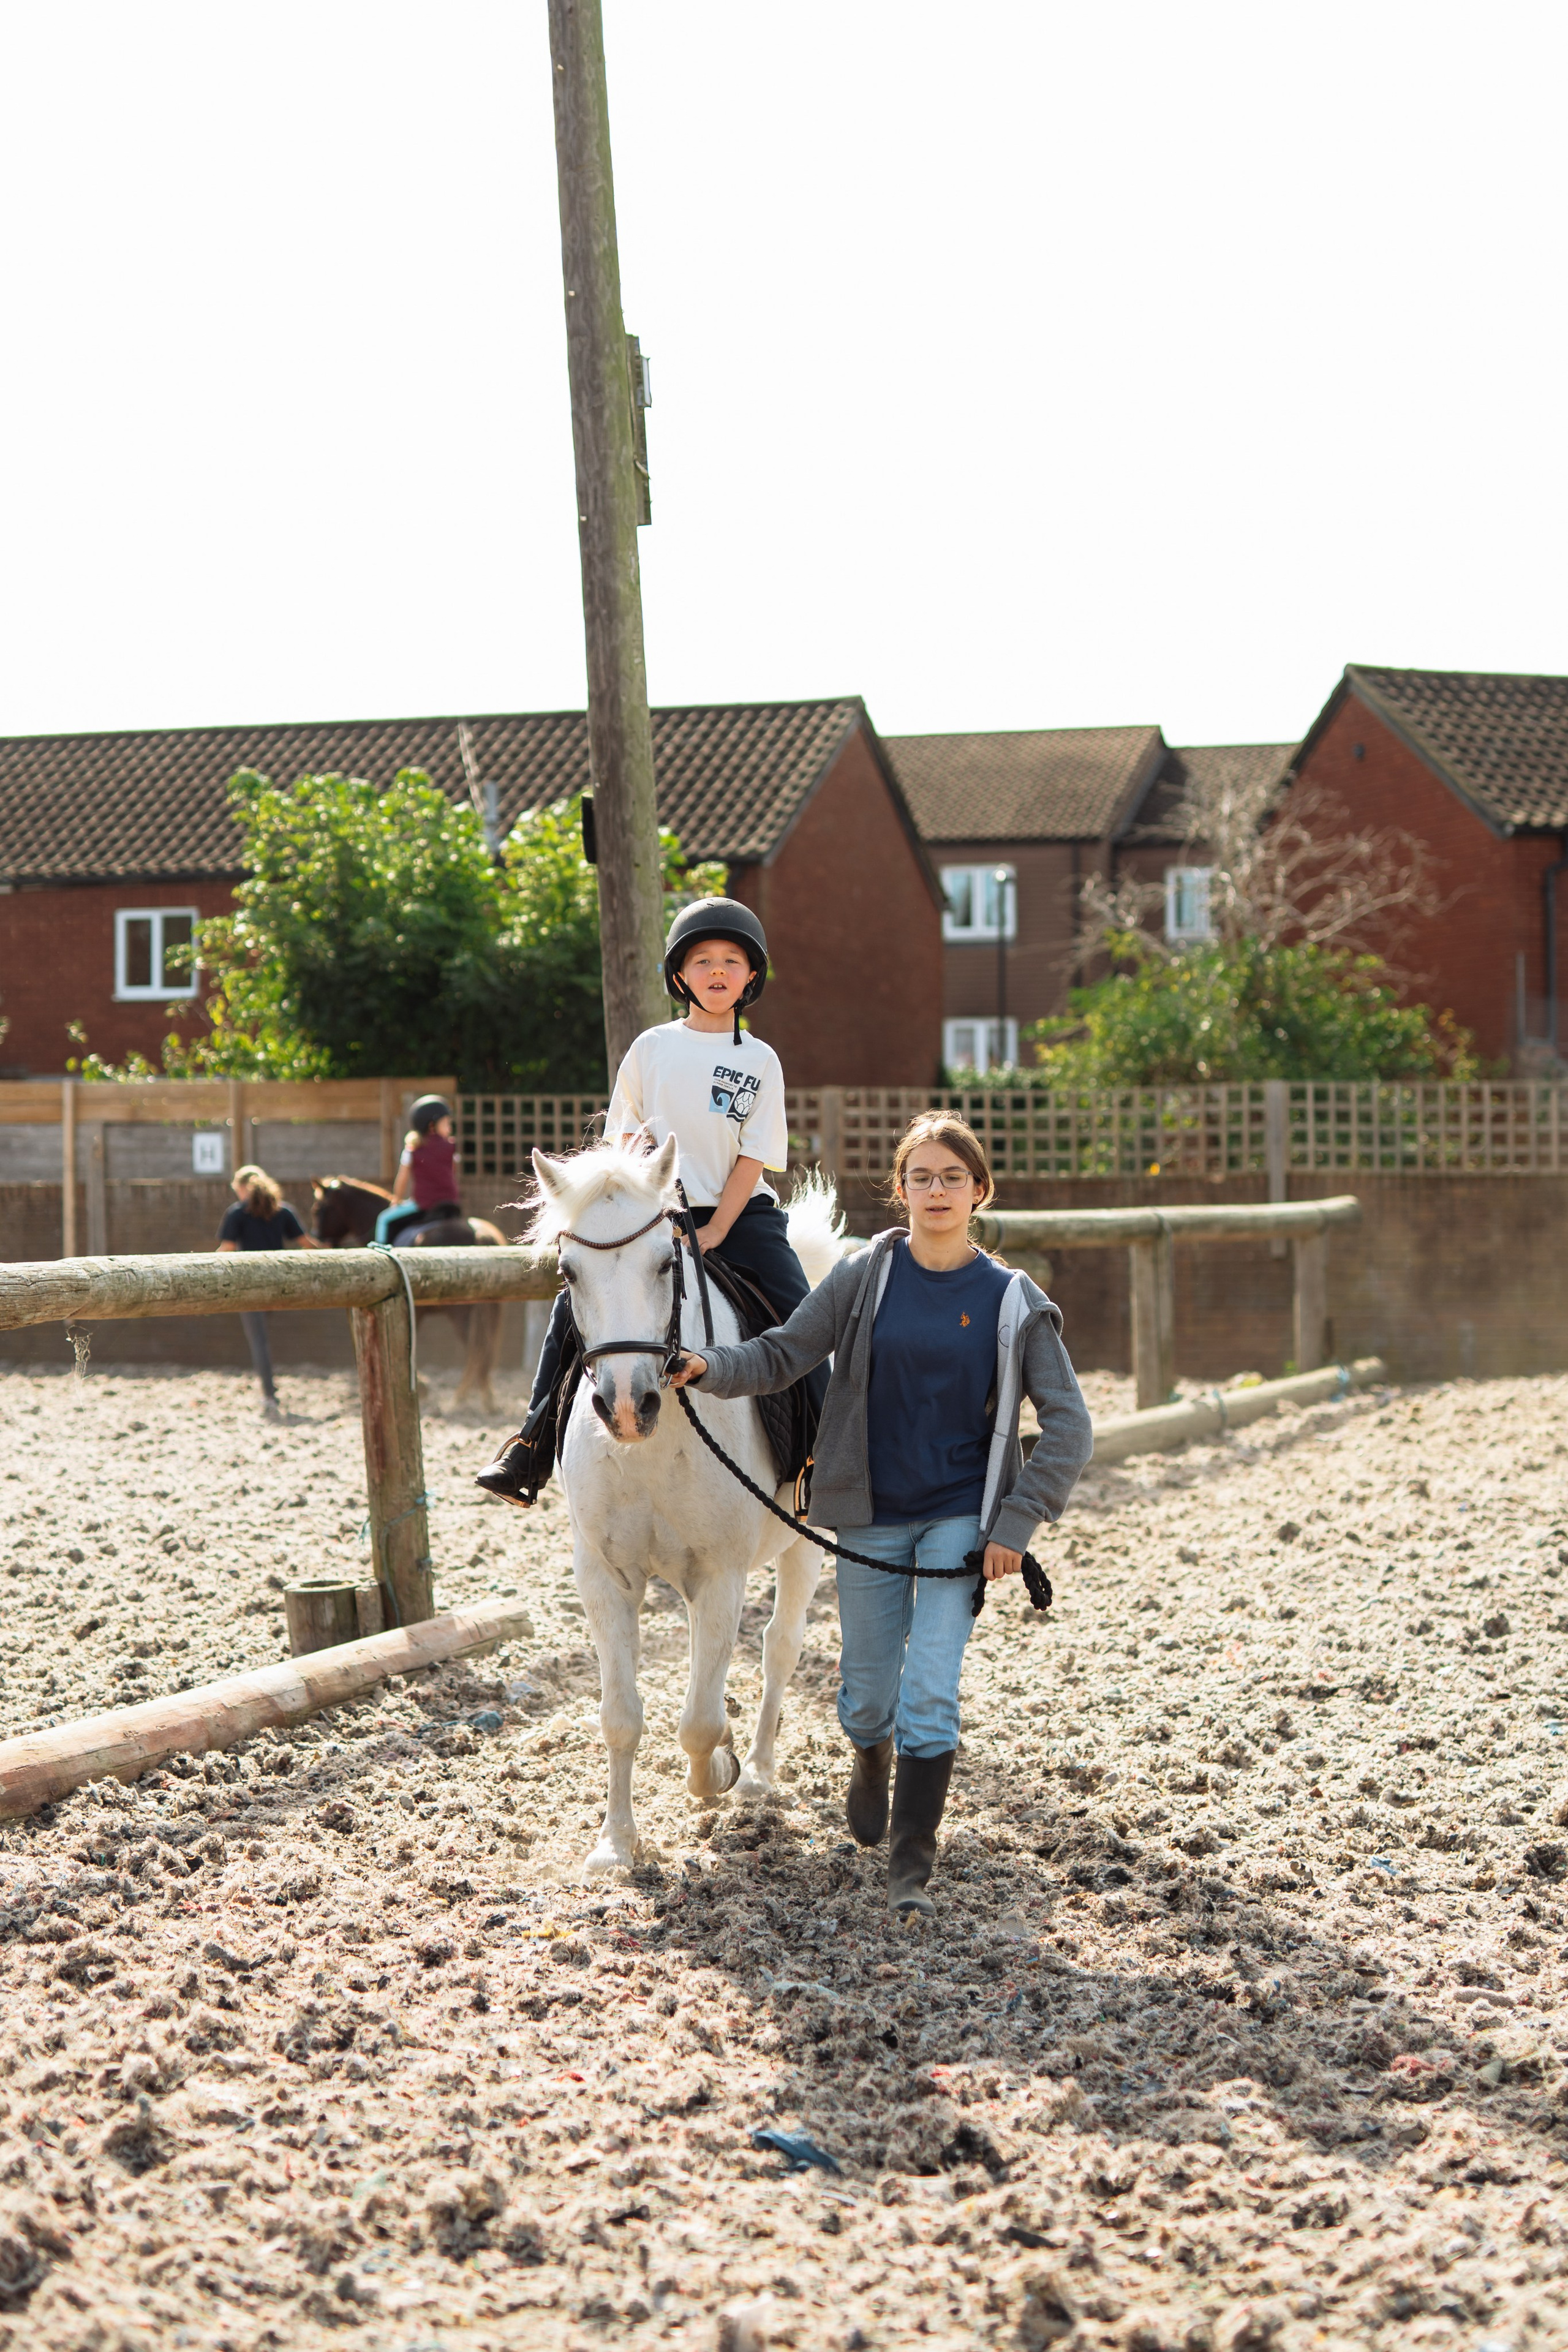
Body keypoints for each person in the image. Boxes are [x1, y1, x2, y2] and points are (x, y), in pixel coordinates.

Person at [668, 1112, 1094, 1918]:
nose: (937, 1191)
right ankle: (871, 1756)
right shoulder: (864, 1277)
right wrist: (709, 1366)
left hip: (958, 1520)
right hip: (866, 1514)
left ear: (979, 1192)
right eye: (922, 1178)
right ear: (899, 1191)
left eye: (953, 1178)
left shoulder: (1012, 1301)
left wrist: (1017, 1522)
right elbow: (784, 1353)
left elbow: (1071, 1423)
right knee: (867, 1697)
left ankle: (911, 1864)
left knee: (930, 1687)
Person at [478, 896, 822, 1504]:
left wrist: (716, 1233)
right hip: (654, 1212)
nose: (718, 971)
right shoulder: (651, 1048)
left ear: (751, 977)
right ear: (679, 976)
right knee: (572, 1309)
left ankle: (821, 1457)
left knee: (800, 1321)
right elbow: (625, 1137)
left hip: (740, 1215)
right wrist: (649, 1182)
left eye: (732, 961)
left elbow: (754, 1156)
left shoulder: (760, 1060)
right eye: (703, 960)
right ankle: (530, 1447)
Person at [217, 1162, 328, 1419]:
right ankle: (270, 1391)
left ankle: (269, 1395)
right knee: (263, 1339)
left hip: (250, 1287)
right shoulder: (283, 1211)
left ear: (243, 1188)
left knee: (259, 1342)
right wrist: (331, 1252)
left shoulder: (237, 1214)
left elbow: (227, 1250)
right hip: (279, 1285)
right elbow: (307, 1244)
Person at [374, 1096, 462, 1248]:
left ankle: (380, 1254)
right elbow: (453, 1174)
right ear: (432, 1126)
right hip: (450, 1203)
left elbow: (402, 1181)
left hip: (424, 1205)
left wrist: (397, 1199)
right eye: (447, 1123)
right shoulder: (451, 1148)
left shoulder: (412, 1151)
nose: (450, 1129)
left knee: (384, 1219)